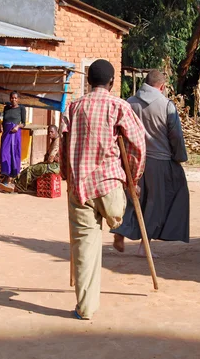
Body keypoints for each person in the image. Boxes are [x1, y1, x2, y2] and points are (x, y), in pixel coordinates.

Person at [62, 59, 146, 320]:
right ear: (112, 82)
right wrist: (133, 178)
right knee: (117, 209)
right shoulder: (119, 106)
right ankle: (115, 219)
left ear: (88, 81)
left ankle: (85, 307)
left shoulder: (74, 107)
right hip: (110, 187)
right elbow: (137, 146)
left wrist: (68, 175)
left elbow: (63, 143)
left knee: (85, 247)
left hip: (81, 189)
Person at [111, 70, 190, 257]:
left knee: (132, 198)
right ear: (162, 86)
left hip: (131, 159)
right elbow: (176, 136)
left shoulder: (129, 103)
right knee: (156, 202)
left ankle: (121, 230)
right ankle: (144, 246)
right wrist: (179, 157)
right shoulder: (166, 105)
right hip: (159, 160)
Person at [14, 124, 60, 193]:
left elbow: (50, 159)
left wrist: (45, 161)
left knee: (31, 169)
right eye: (49, 132)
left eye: (51, 132)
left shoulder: (57, 142)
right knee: (35, 167)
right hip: (53, 165)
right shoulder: (54, 141)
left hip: (54, 167)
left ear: (56, 132)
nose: (49, 134)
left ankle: (21, 187)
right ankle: (25, 185)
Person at [0, 91, 27, 193]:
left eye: (15, 98)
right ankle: (6, 175)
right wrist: (1, 126)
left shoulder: (21, 109)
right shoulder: (6, 108)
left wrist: (18, 126)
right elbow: (3, 121)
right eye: (12, 98)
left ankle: (11, 177)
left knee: (13, 154)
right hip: (6, 133)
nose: (13, 100)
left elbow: (24, 123)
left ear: (18, 99)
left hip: (15, 133)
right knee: (4, 154)